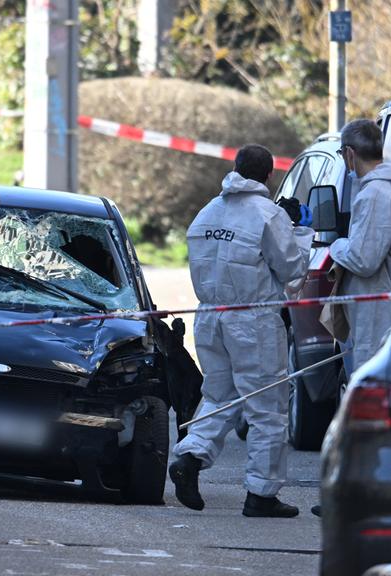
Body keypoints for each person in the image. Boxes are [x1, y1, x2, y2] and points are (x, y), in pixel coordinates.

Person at [169, 144, 313, 518]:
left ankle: (189, 456)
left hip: (210, 317)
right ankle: (261, 495)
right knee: (267, 408)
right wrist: (296, 229)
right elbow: (293, 270)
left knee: (220, 396)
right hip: (253, 321)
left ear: (235, 168)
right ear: (269, 175)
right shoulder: (268, 215)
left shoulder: (206, 214)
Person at [330, 119, 391, 372]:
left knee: (372, 392)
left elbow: (363, 260)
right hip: (378, 308)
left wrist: (337, 246)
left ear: (349, 153)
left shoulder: (375, 194)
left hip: (377, 314)